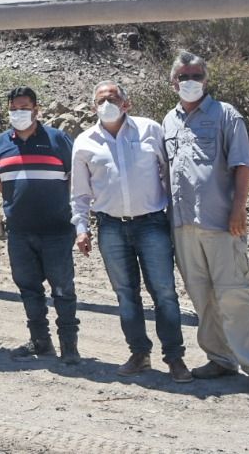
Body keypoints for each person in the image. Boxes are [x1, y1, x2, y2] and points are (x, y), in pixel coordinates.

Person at [164, 51, 249, 395]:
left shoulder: (226, 115)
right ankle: (220, 359)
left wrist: (239, 208)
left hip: (222, 223)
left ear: (206, 80)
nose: (190, 81)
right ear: (173, 82)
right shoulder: (169, 120)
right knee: (202, 297)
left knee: (234, 294)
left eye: (196, 75)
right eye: (183, 76)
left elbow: (243, 164)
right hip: (183, 225)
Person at [72, 80, 191, 382]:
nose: (106, 104)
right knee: (126, 295)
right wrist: (81, 228)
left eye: (112, 98)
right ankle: (139, 354)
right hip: (110, 227)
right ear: (92, 107)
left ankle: (175, 358)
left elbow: (169, 175)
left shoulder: (150, 130)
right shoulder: (84, 142)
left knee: (164, 293)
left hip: (152, 223)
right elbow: (80, 193)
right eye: (100, 100)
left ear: (127, 103)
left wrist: (175, 218)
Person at [0, 86, 81, 365]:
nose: (19, 113)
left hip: (56, 230)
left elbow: (74, 178)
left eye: (25, 107)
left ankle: (70, 346)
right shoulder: (1, 143)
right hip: (19, 232)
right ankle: (40, 342)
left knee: (63, 289)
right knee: (28, 288)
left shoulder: (58, 140)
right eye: (14, 108)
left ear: (36, 109)